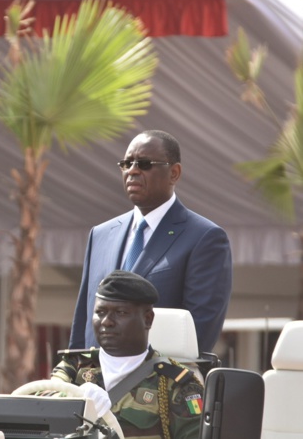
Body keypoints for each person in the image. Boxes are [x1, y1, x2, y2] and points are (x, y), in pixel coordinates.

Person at [70, 130, 232, 353]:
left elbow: (198, 333)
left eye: (145, 164)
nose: (133, 171)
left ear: (174, 173)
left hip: (157, 383)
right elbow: (83, 322)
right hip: (94, 381)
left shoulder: (204, 238)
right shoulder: (100, 235)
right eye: (126, 164)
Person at [51, 270, 204, 439]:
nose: (106, 321)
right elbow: (37, 400)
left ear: (148, 319)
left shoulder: (176, 383)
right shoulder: (75, 366)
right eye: (100, 312)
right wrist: (73, 395)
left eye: (121, 313)